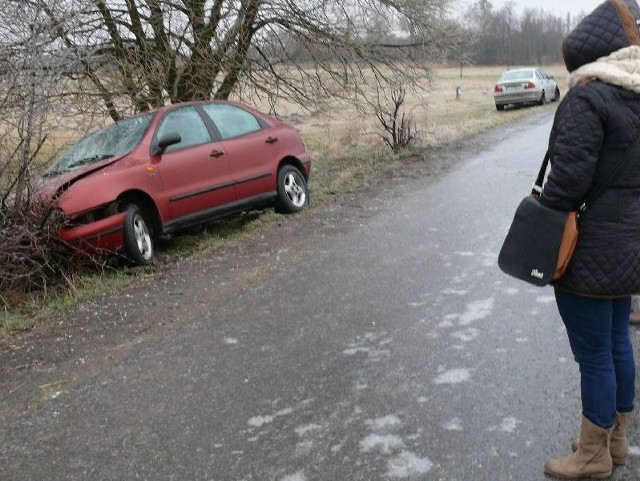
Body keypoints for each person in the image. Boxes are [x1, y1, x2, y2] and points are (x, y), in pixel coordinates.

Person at [538, 0, 640, 478]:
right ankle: (616, 440)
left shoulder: (588, 97)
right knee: (618, 340)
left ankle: (593, 456)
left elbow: (566, 185)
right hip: (629, 248)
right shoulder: (636, 96)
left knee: (594, 354)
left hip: (587, 250)